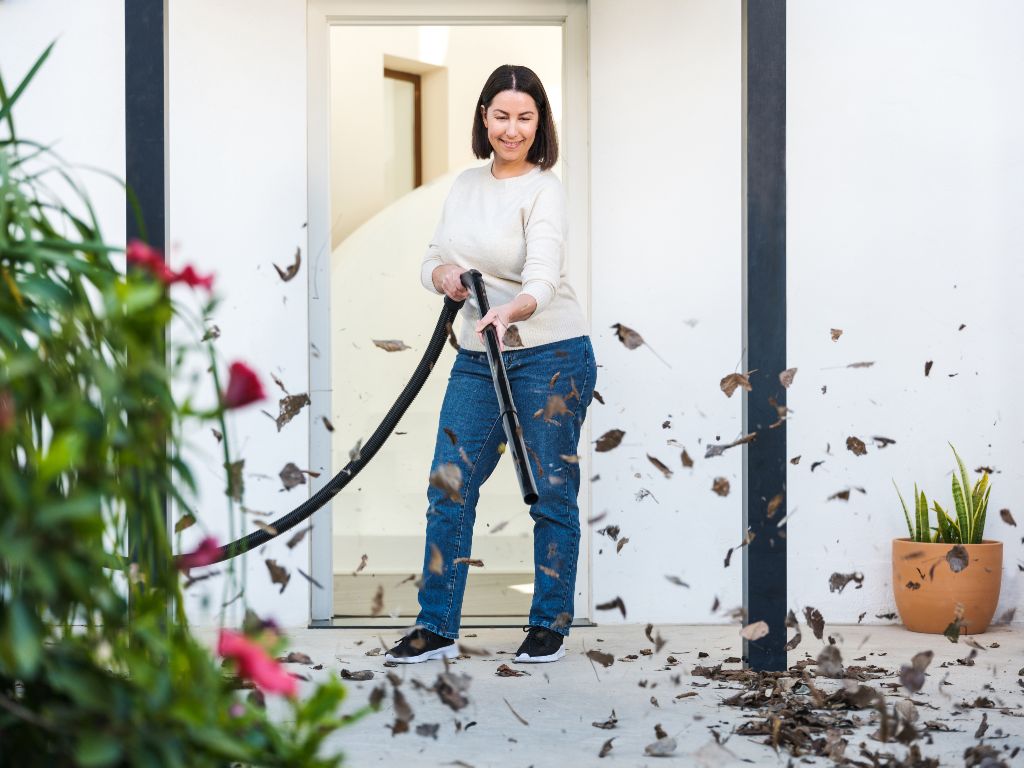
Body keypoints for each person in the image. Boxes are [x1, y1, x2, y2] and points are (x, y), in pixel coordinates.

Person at [385, 64, 596, 664]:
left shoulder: (543, 189)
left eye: (524, 118)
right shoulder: (466, 186)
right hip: (479, 357)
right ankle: (437, 626)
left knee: (550, 493)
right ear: (484, 118)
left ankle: (548, 623)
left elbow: (544, 277)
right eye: (501, 116)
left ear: (539, 123)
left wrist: (515, 311)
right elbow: (432, 258)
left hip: (550, 356)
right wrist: (444, 276)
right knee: (449, 485)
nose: (512, 129)